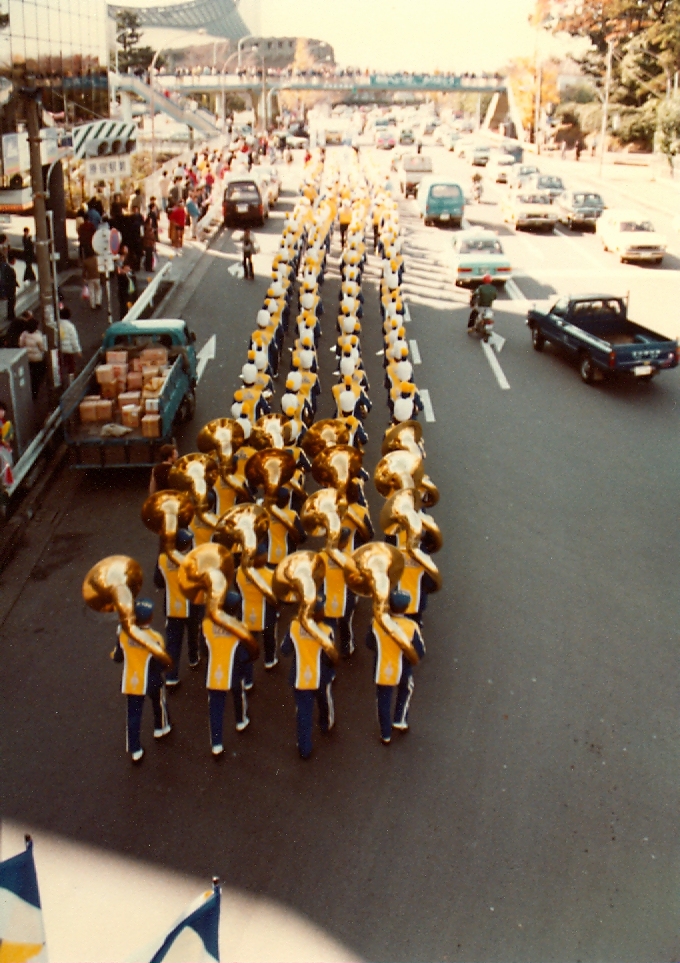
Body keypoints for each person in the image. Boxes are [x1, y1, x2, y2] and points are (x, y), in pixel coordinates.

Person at [110, 598, 172, 763]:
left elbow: (118, 657)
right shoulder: (155, 637)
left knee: (133, 715)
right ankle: (161, 727)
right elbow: (162, 661)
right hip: (151, 678)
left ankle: (135, 749)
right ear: (150, 618)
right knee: (159, 702)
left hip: (132, 681)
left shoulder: (123, 634)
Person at [365, 590, 425, 745]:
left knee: (383, 700)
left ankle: (385, 734)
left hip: (382, 667)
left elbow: (369, 643)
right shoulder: (411, 626)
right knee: (406, 689)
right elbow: (420, 651)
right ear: (405, 608)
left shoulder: (377, 623)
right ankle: (400, 719)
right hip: (403, 667)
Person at [280, 596, 336, 759]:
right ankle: (326, 725)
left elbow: (285, 650)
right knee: (324, 701)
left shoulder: (294, 626)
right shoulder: (327, 631)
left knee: (303, 712)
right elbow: (330, 657)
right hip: (321, 676)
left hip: (300, 677)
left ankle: (304, 747)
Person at [204, 589, 254, 756]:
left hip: (214, 672)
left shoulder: (207, 625)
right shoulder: (241, 628)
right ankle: (241, 720)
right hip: (234, 671)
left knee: (215, 708)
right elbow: (245, 655)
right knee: (238, 695)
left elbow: (203, 649)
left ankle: (216, 744)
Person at [153, 528, 202, 687]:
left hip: (172, 608)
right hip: (192, 605)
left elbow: (158, 582)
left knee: (173, 643)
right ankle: (194, 658)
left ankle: (171, 677)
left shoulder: (162, 559)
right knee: (193, 633)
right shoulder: (192, 562)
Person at [19, 317, 47, 399]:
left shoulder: (24, 334)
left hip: (27, 358)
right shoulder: (38, 337)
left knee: (29, 375)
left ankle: (29, 391)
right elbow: (43, 348)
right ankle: (35, 393)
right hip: (37, 359)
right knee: (37, 376)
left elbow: (20, 344)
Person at [58, 307, 82, 382]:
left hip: (59, 349)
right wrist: (78, 351)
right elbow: (74, 339)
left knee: (60, 366)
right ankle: (71, 381)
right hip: (68, 350)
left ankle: (60, 380)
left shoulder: (57, 324)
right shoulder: (70, 326)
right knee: (71, 367)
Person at [0, 398, 14, 489]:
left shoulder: (4, 421)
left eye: (3, 411)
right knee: (5, 462)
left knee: (7, 462)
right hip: (1, 447)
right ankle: (6, 483)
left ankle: (7, 482)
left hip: (4, 446)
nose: (2, 413)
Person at [3, 255, 18, 321]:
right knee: (11, 301)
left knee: (11, 302)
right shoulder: (9, 269)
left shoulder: (6, 268)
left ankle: (10, 315)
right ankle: (11, 315)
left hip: (9, 287)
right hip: (10, 287)